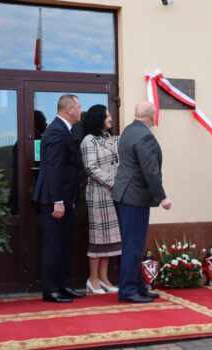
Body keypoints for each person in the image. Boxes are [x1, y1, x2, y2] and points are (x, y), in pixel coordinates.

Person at [112, 101, 172, 303]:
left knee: (132, 243)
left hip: (124, 196)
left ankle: (137, 285)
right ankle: (128, 290)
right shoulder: (144, 135)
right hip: (134, 197)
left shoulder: (128, 130)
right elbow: (150, 171)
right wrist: (162, 196)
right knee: (133, 244)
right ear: (152, 116)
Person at [32, 94, 86, 303]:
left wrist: (69, 198)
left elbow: (65, 170)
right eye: (79, 107)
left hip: (65, 199)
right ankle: (50, 290)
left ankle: (64, 285)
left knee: (65, 244)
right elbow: (54, 170)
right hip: (53, 201)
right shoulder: (56, 130)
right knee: (53, 246)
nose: (81, 110)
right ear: (69, 109)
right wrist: (58, 201)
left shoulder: (64, 129)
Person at [80, 104, 121, 295]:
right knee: (98, 238)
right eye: (107, 116)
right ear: (98, 119)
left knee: (109, 238)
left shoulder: (110, 137)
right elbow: (91, 168)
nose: (111, 119)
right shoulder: (89, 140)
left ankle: (104, 278)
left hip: (113, 194)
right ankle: (92, 279)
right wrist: (113, 182)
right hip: (98, 195)